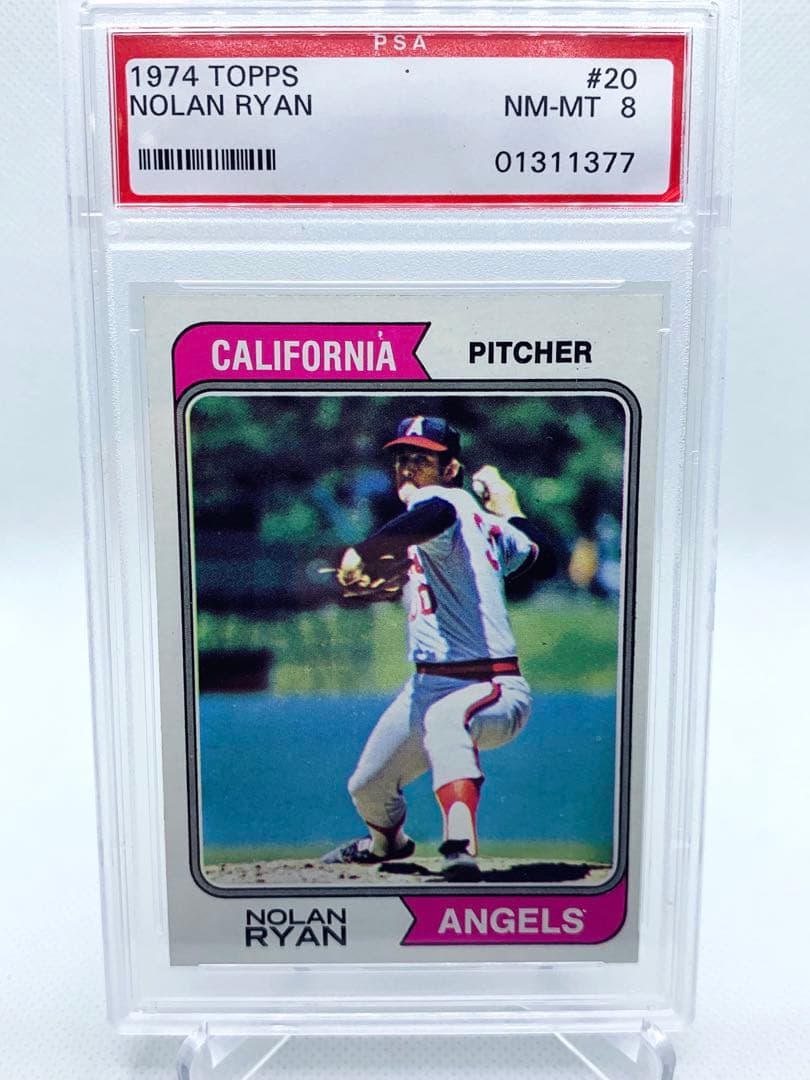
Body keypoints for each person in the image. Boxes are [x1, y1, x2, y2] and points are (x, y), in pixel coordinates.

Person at [322, 416, 556, 881]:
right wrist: (509, 507)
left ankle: (460, 846)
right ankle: (387, 845)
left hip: (489, 685)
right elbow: (541, 555)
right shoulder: (480, 524)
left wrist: (366, 551)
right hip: (427, 686)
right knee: (368, 787)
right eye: (401, 459)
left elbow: (435, 515)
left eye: (421, 460)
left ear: (450, 471)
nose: (407, 469)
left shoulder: (446, 503)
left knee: (447, 720)